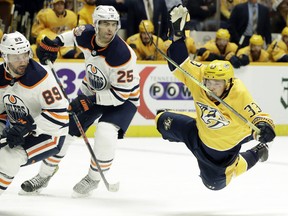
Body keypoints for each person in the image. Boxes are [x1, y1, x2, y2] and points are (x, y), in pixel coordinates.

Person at [20, 5, 140, 197]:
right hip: (92, 91)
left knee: (105, 132)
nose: (110, 29)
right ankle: (44, 175)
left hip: (123, 100)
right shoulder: (86, 33)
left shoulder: (122, 55)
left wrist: (88, 101)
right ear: (96, 24)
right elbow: (71, 37)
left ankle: (93, 178)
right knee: (64, 131)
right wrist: (55, 42)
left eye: (113, 24)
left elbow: (120, 95)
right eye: (105, 24)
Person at [156, 5, 276, 191]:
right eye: (209, 82)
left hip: (222, 148)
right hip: (198, 132)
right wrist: (178, 35)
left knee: (214, 184)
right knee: (160, 121)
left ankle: (257, 153)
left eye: (217, 84)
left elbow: (259, 117)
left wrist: (265, 128)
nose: (211, 87)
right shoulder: (202, 77)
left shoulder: (239, 93)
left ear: (228, 83)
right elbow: (180, 64)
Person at [0, 31, 69, 195]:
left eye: (25, 55)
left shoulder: (40, 77)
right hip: (20, 130)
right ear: (5, 57)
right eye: (16, 57)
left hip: (50, 135)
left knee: (8, 158)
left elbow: (60, 116)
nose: (22, 61)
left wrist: (26, 127)